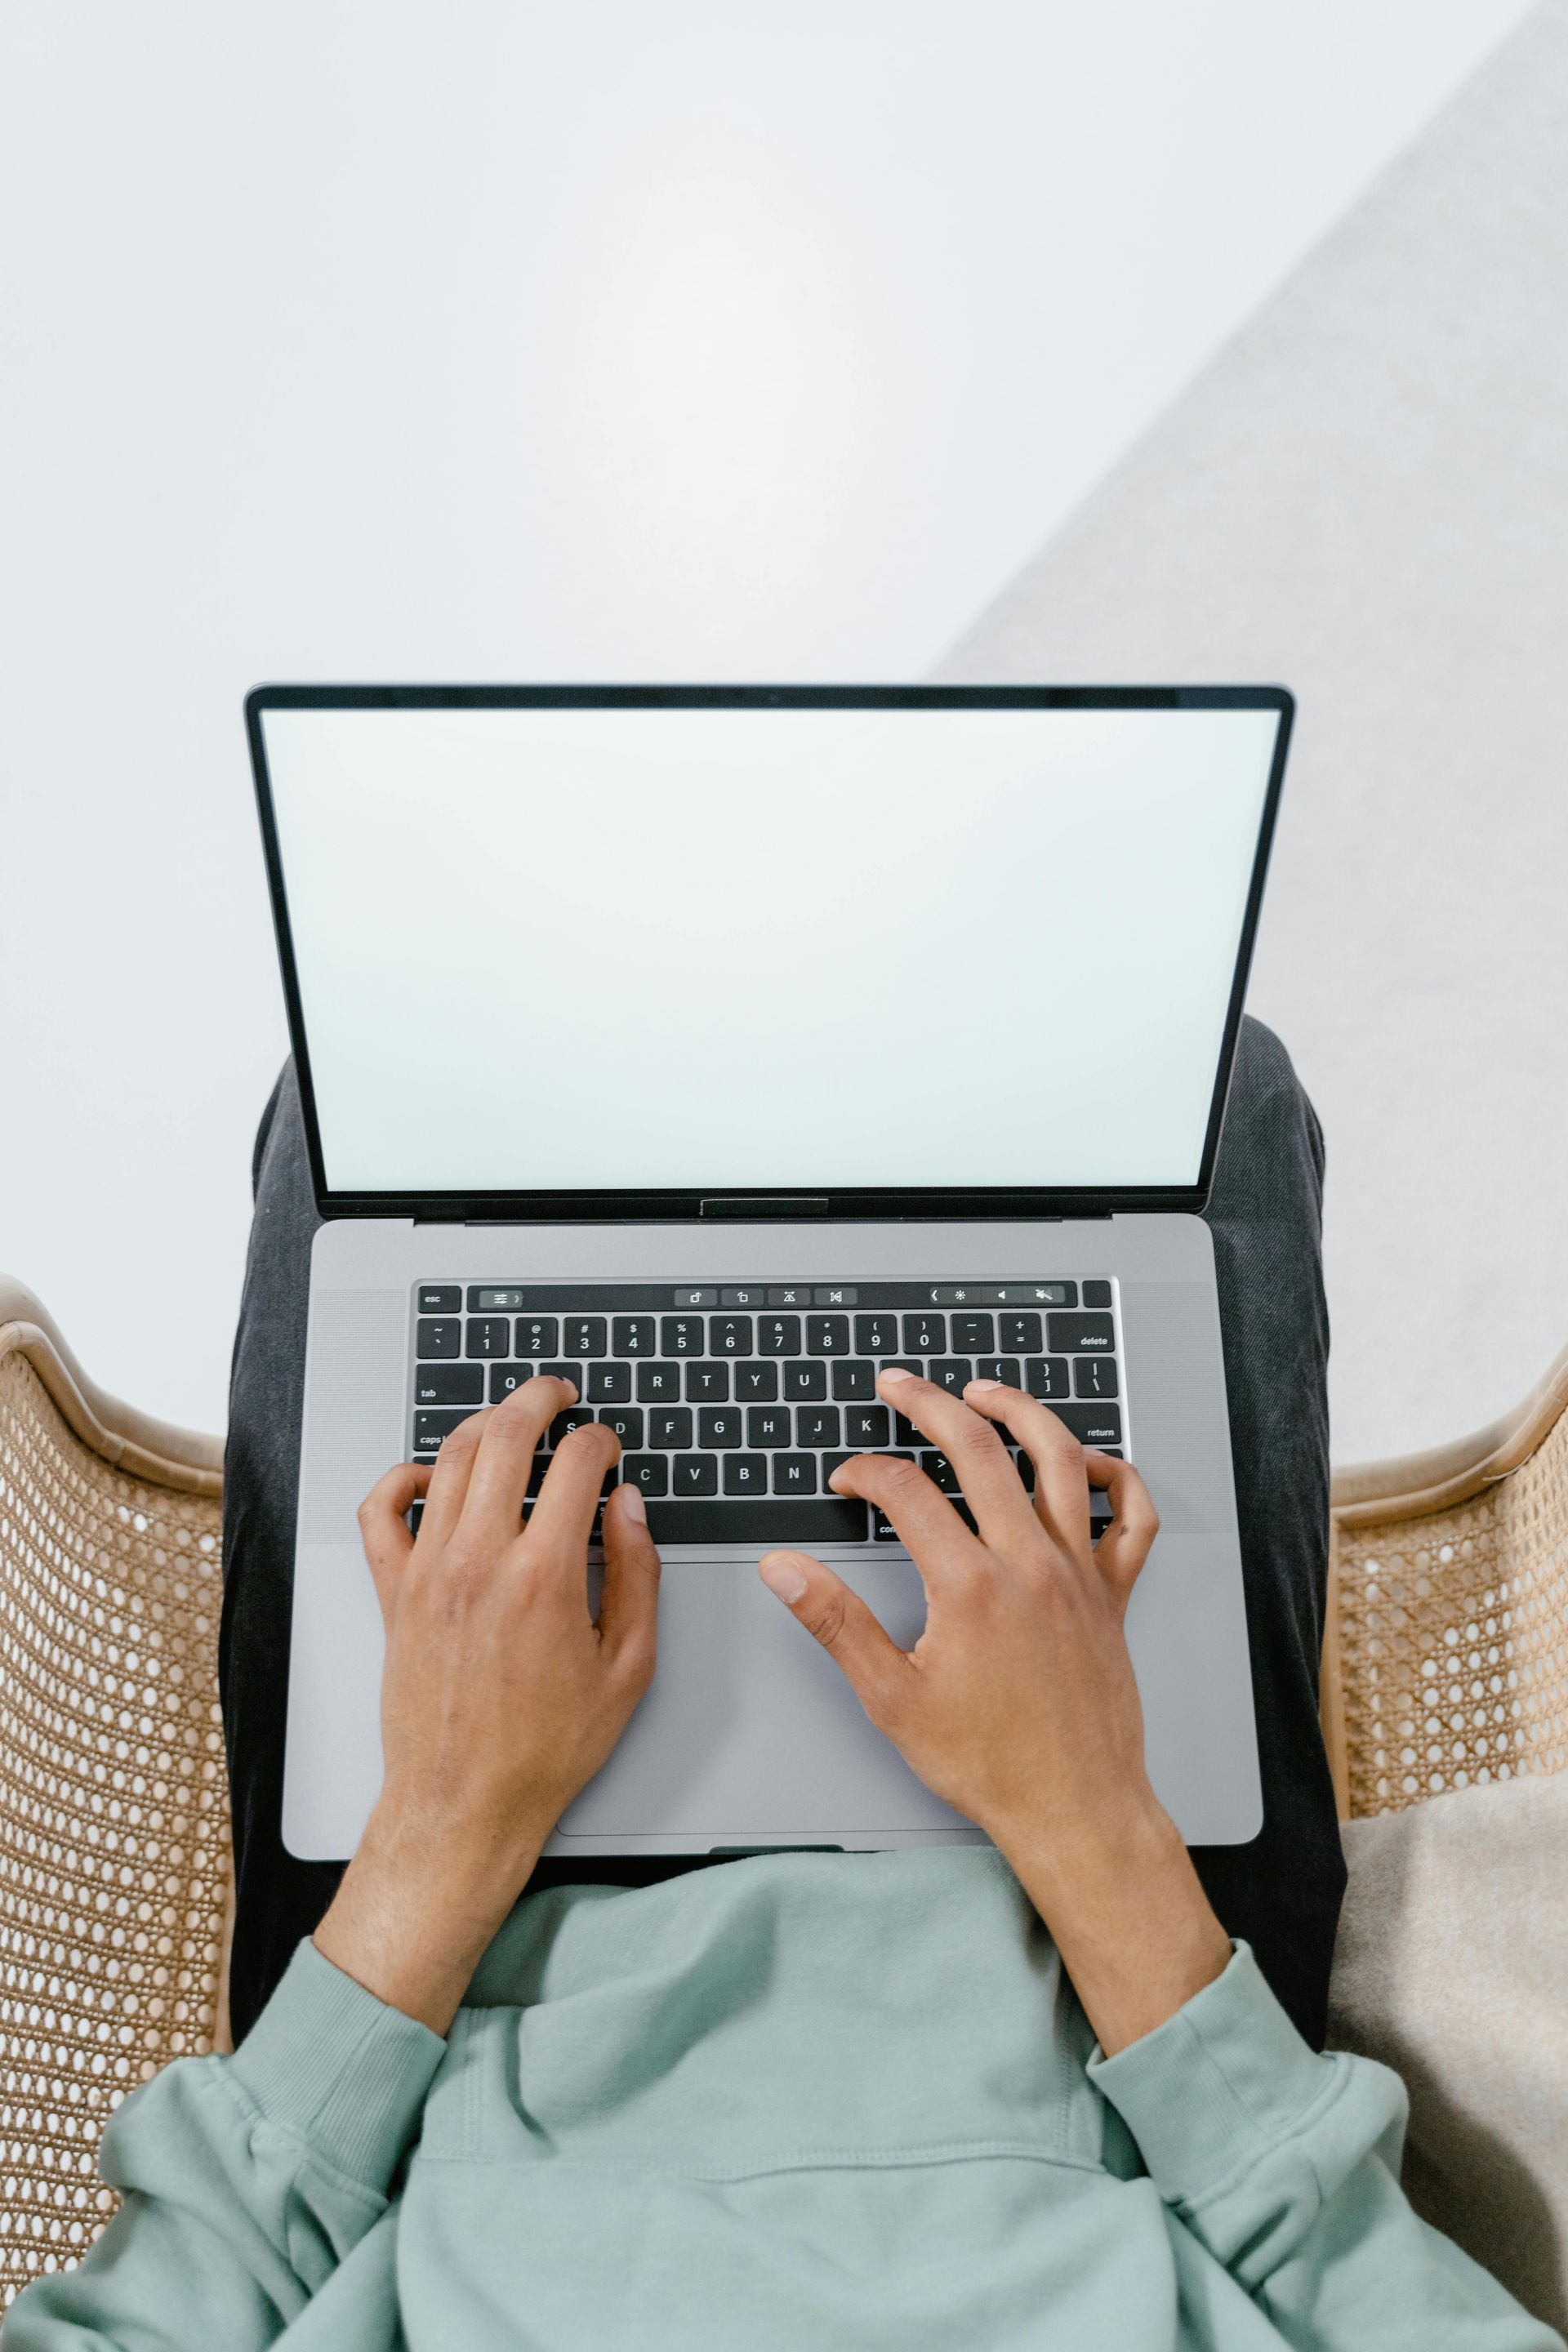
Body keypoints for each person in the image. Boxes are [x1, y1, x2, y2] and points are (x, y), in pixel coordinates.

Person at [7, 1022, 1558, 2351]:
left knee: (363, 1094)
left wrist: (442, 1825)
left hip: (449, 1963)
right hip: (1123, 1984)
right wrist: (1087, 1818)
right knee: (1214, 1089)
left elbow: (186, 2296)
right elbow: (1373, 2292)